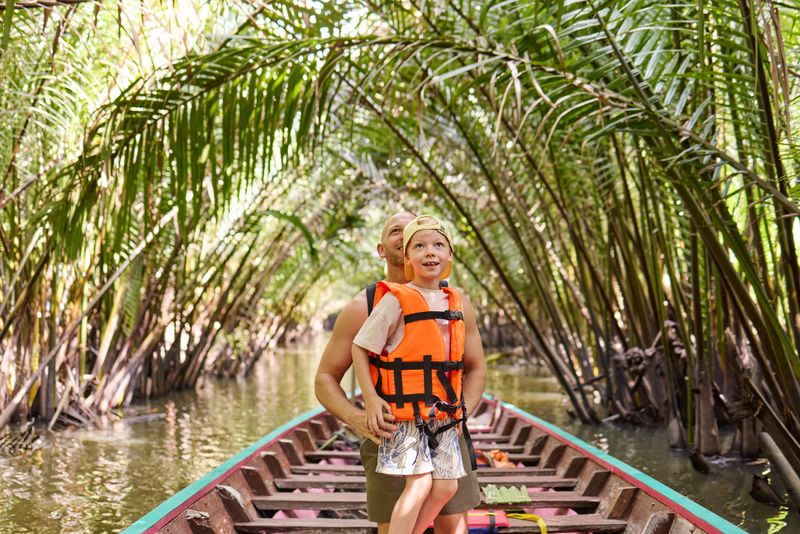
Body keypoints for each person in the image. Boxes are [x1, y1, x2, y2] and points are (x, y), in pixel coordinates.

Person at [314, 212, 486, 534]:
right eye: (399, 230)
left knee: (452, 522)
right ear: (388, 249)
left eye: (433, 240)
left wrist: (460, 415)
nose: (412, 235)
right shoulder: (364, 306)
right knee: (395, 519)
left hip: (446, 424)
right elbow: (324, 380)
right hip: (393, 429)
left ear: (447, 251)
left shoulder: (456, 303)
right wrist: (361, 418)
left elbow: (475, 368)